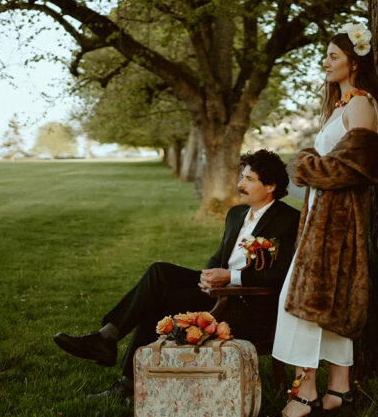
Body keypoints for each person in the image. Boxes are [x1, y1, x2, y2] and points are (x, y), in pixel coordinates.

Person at [54, 149, 301, 399]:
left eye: (249, 179)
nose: (240, 184)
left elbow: (281, 275)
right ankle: (109, 343)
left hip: (247, 304)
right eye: (242, 177)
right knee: (159, 273)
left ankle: (116, 363)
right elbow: (219, 257)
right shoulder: (236, 214)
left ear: (270, 186)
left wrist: (229, 278)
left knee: (157, 301)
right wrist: (207, 275)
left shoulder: (289, 220)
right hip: (216, 290)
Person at [270, 23, 378, 417]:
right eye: (327, 55)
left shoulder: (361, 105)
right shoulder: (342, 106)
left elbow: (354, 168)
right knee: (325, 305)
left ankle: (304, 397)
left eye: (334, 56)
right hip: (322, 219)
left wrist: (303, 163)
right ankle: (339, 391)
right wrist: (311, 164)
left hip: (337, 225)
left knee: (301, 306)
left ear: (355, 62)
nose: (326, 62)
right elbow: (334, 165)